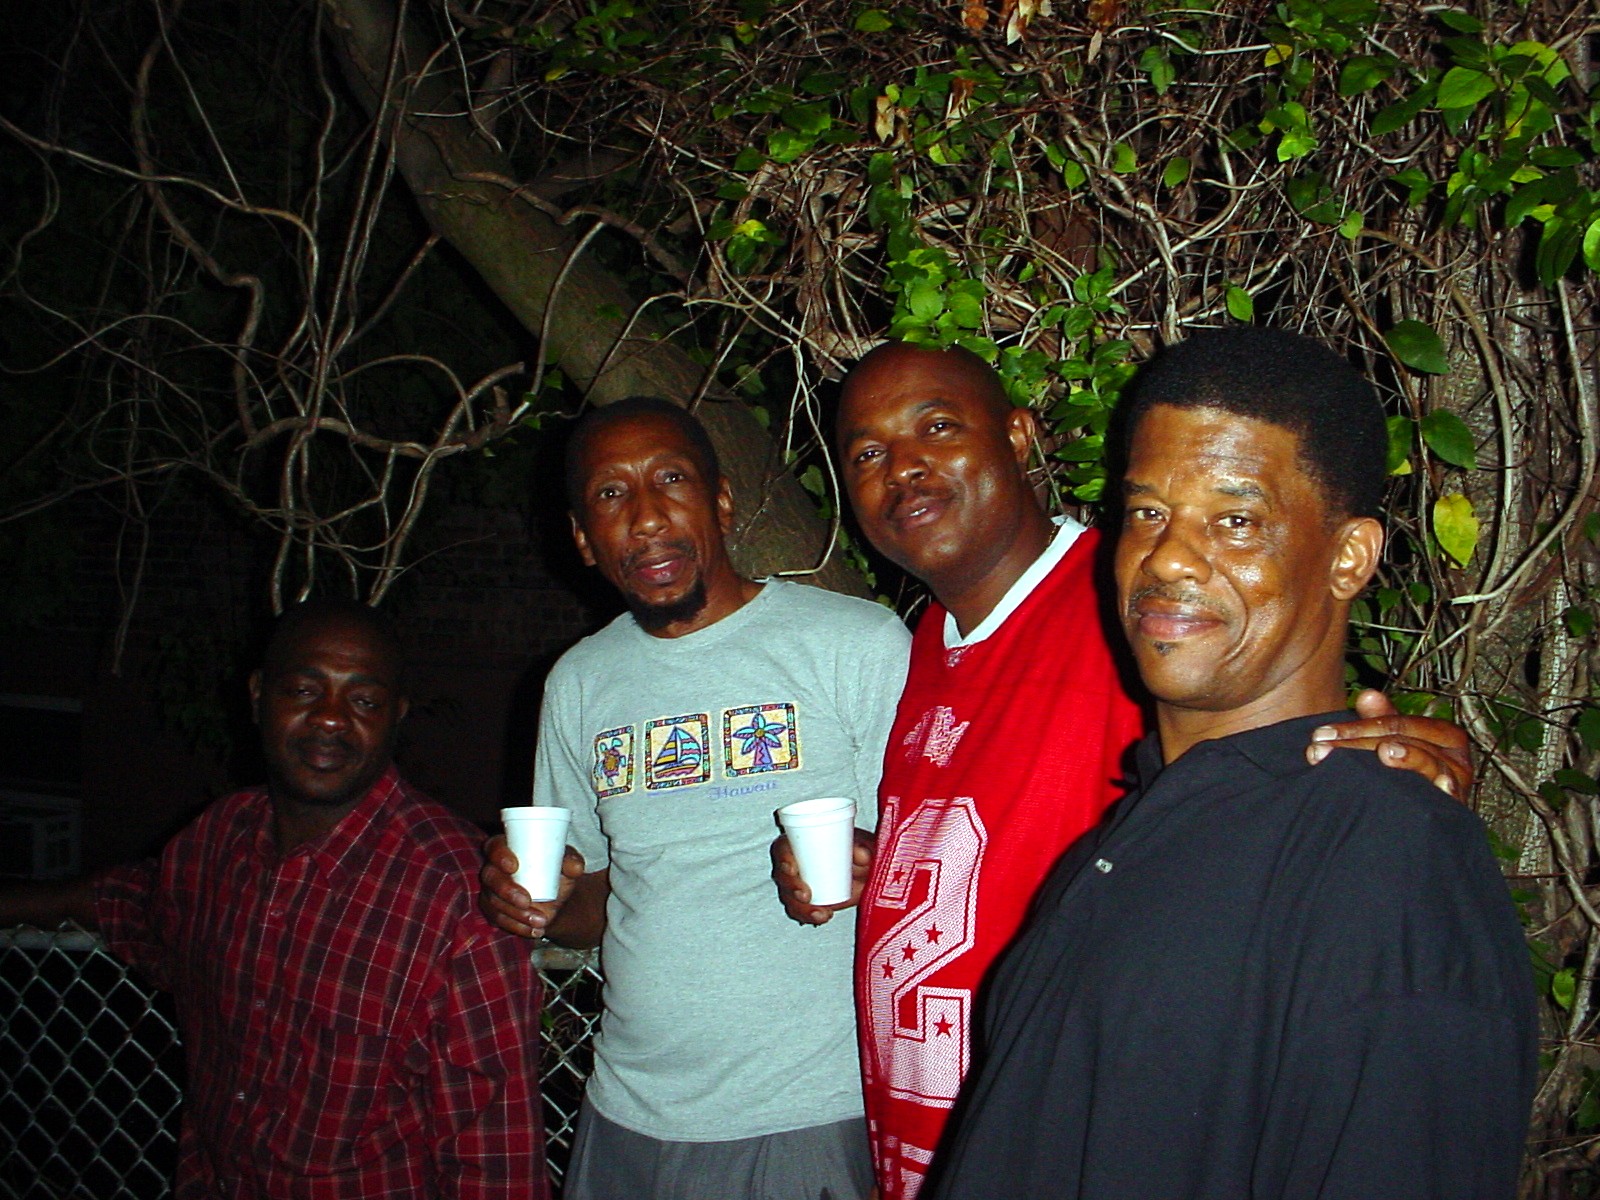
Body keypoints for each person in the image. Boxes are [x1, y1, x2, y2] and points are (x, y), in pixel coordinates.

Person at [773, 339, 1476, 1200]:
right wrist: (883, 863)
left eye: (939, 427)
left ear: (1020, 438)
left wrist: (1397, 778)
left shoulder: (1123, 611)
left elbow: (1265, 732)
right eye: (867, 453)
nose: (904, 466)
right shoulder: (928, 643)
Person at [479, 398, 911, 1200]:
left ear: (721, 500)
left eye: (671, 479)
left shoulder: (855, 645)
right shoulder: (579, 683)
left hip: (810, 1111)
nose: (646, 516)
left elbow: (950, 865)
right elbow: (591, 906)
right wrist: (538, 900)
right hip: (627, 1113)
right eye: (611, 493)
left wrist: (870, 865)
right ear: (582, 537)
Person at [0, 599, 548, 1200]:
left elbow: (496, 1160)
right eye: (305, 690)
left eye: (364, 700)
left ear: (396, 716)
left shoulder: (458, 900)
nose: (331, 718)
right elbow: (131, 904)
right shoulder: (214, 843)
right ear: (259, 695)